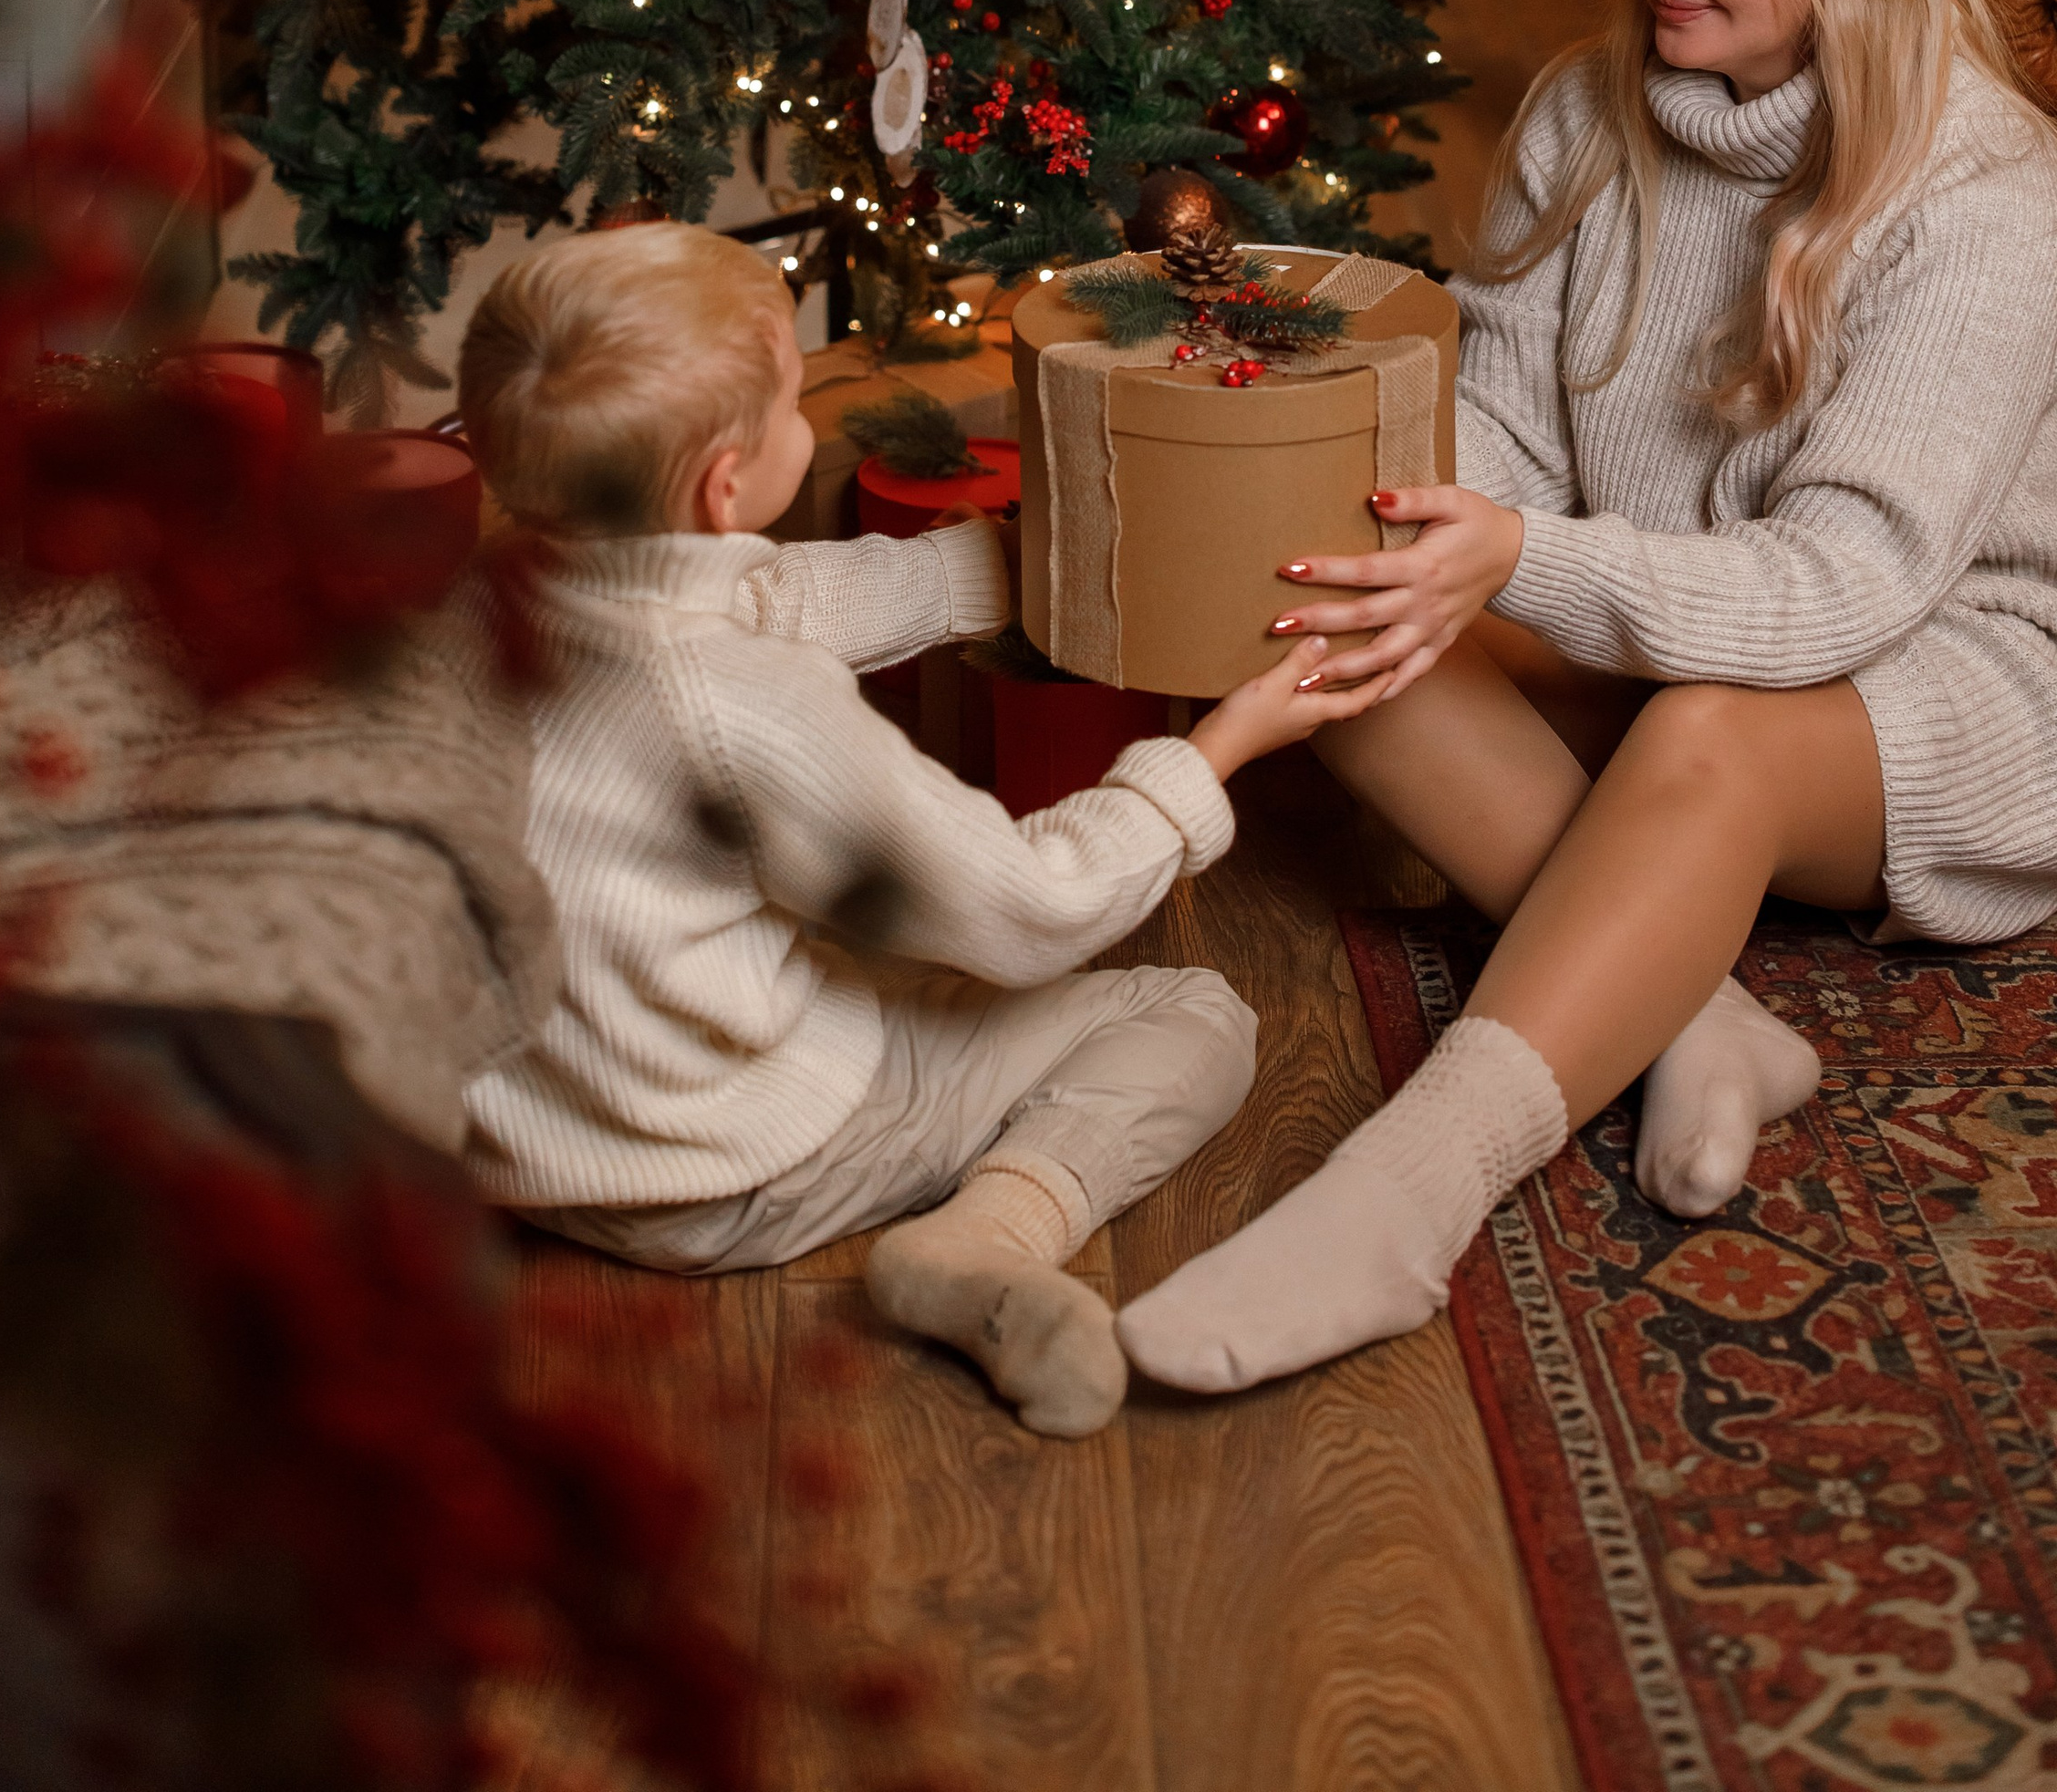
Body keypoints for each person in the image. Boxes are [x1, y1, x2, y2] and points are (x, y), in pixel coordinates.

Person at [1117, 0, 2057, 1396]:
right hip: (1692, 618)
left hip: (1978, 677)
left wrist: (1526, 560)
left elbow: (1847, 587)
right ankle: (1696, 1015)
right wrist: (1458, 540)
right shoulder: (1592, 109)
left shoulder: (1979, 190)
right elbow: (1516, 445)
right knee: (1354, 611)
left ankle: (1405, 1198)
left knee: (1700, 733)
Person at [453, 223, 1371, 1438]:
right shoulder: (747, 708)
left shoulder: (461, 608)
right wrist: (1218, 753)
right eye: (791, 400)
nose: (801, 418)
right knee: (1193, 1015)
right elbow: (1030, 910)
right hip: (724, 1164)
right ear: (727, 484)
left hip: (524, 1136)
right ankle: (984, 1236)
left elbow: (765, 599)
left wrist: (1006, 560)